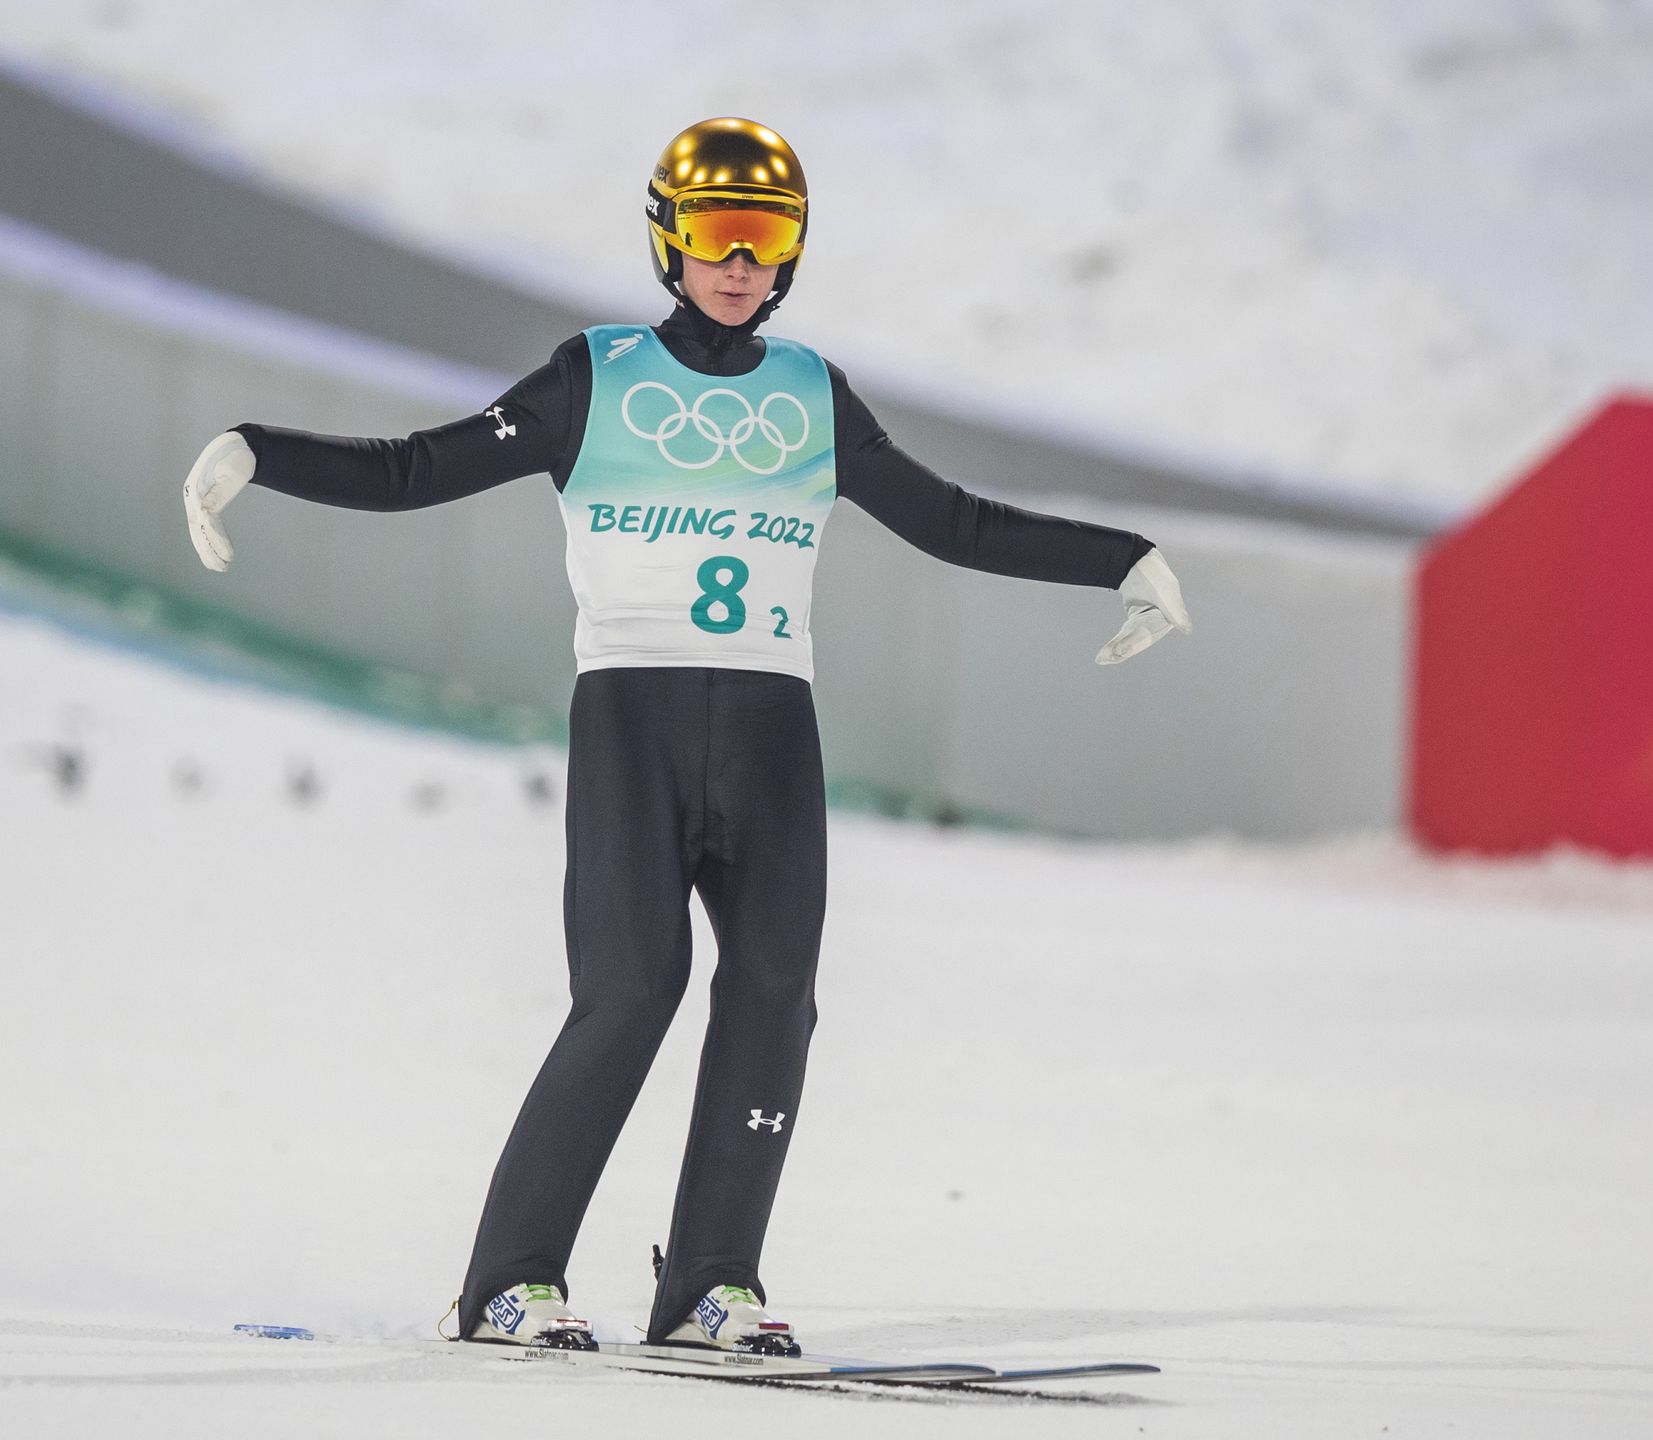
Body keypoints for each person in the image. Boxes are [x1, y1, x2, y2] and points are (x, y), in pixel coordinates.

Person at [178, 117, 1190, 1354]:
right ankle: (509, 1282)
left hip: (771, 729)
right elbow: (412, 470)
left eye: (770, 241)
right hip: (634, 721)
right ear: (670, 236)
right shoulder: (593, 376)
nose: (742, 264)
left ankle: (711, 1281)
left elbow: (956, 524)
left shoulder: (814, 393)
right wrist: (254, 449)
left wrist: (1125, 561)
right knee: (630, 990)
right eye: (720, 233)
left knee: (776, 997)